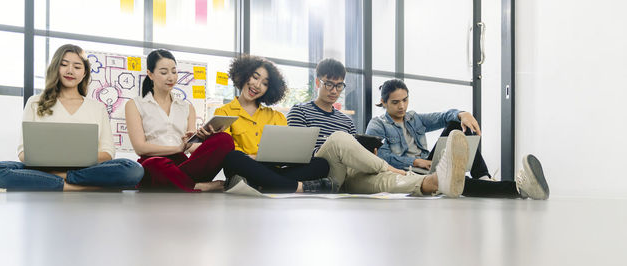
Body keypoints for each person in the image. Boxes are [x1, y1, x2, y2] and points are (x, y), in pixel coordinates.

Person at [288, 58, 466, 197]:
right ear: (318, 83)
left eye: (339, 85)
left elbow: (353, 152)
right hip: (323, 173)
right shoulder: (299, 111)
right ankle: (393, 169)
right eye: (329, 84)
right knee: (338, 139)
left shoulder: (346, 121)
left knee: (382, 180)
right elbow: (297, 155)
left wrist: (365, 156)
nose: (334, 90)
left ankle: (433, 183)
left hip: (347, 178)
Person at [0, 44, 144, 191]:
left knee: (132, 169)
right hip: (42, 170)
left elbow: (108, 153)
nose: (70, 71)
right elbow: (23, 152)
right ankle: (75, 186)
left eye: (77, 66)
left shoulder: (97, 107)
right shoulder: (35, 101)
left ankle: (60, 180)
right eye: (64, 65)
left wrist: (74, 164)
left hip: (87, 170)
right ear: (55, 68)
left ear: (84, 72)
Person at [366, 78, 550, 199]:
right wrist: (417, 161)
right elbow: (382, 158)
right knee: (459, 183)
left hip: (428, 165)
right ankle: (519, 189)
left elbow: (444, 116)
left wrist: (463, 114)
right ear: (383, 102)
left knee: (456, 125)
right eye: (395, 102)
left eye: (405, 100)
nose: (402, 106)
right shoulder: (377, 125)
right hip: (408, 172)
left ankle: (484, 177)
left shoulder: (414, 118)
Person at [217, 55, 332, 193]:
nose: (257, 85)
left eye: (265, 83)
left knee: (321, 164)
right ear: (244, 74)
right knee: (232, 158)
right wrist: (255, 158)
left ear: (269, 89)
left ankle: (260, 184)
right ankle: (298, 187)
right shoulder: (224, 112)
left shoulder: (276, 116)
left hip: (270, 169)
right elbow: (227, 151)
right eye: (255, 77)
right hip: (244, 167)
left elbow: (286, 153)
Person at [125, 49, 234, 192]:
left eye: (174, 71)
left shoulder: (187, 107)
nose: (171, 77)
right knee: (155, 164)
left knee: (224, 139)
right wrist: (177, 148)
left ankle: (179, 183)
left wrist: (204, 139)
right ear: (150, 74)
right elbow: (140, 148)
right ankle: (195, 186)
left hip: (183, 165)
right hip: (154, 163)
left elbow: (191, 147)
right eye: (164, 72)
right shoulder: (135, 105)